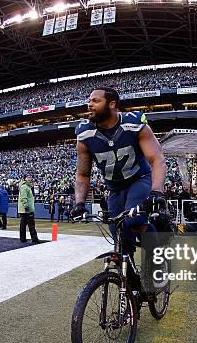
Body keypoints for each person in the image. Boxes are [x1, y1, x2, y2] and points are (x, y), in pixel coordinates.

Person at [69, 86, 167, 293]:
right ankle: (132, 283)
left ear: (112, 104)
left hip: (139, 179)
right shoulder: (85, 133)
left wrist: (157, 192)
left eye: (95, 101)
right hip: (114, 188)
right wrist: (79, 203)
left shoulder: (134, 124)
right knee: (117, 233)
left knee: (133, 220)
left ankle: (157, 261)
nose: (89, 104)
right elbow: (83, 174)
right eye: (89, 100)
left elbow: (157, 159)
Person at [18, 175, 39, 243]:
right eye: (28, 177)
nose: (29, 178)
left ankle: (23, 239)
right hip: (26, 209)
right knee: (31, 225)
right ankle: (34, 239)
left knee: (23, 225)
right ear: (24, 179)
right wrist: (26, 207)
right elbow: (24, 198)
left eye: (30, 177)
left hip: (24, 209)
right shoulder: (24, 187)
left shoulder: (27, 186)